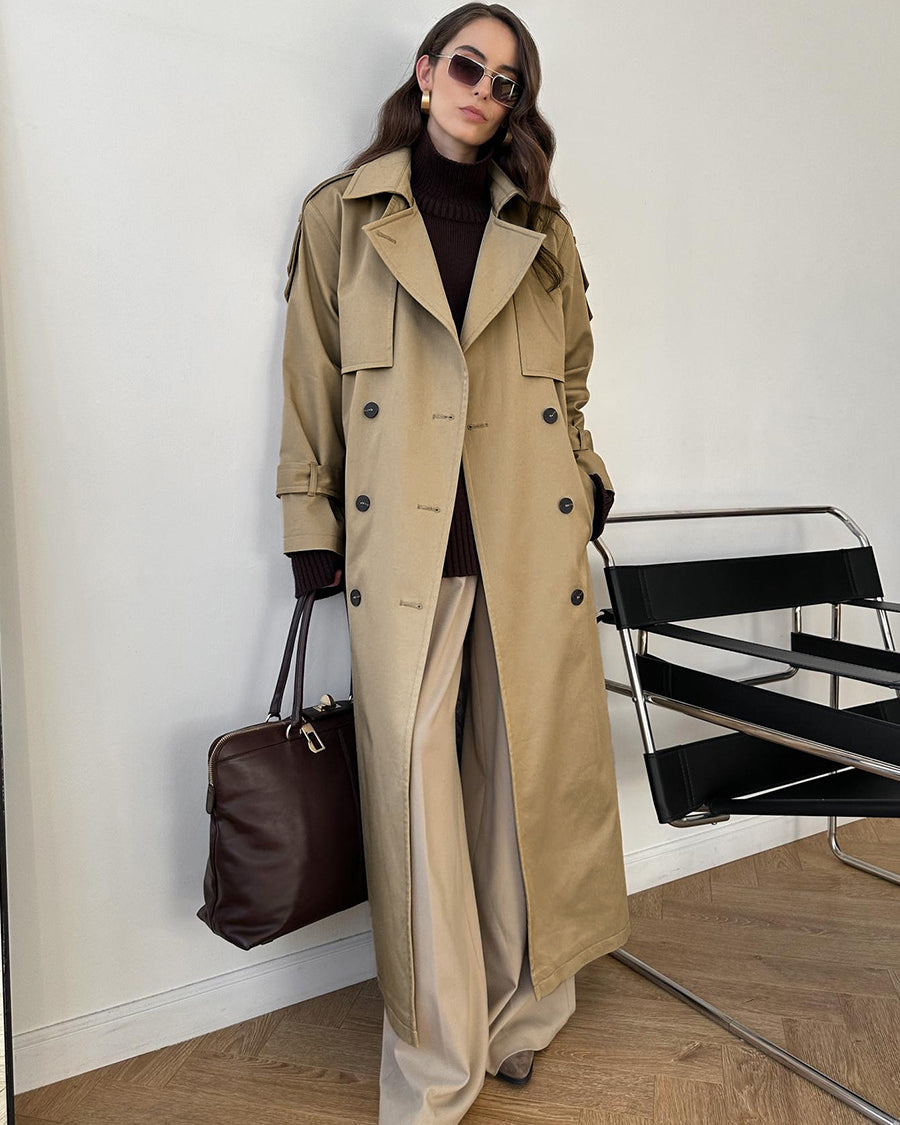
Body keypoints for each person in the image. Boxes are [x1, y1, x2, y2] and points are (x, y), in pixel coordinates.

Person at [276, 4, 631, 1121]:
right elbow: (310, 379)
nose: (485, 89)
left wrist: (590, 475)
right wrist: (310, 528)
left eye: (508, 80)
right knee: (417, 805)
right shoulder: (344, 216)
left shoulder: (543, 227)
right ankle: (435, 1066)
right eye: (467, 65)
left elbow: (573, 375)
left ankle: (524, 1012)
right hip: (410, 554)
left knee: (519, 792)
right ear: (426, 74)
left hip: (528, 542)